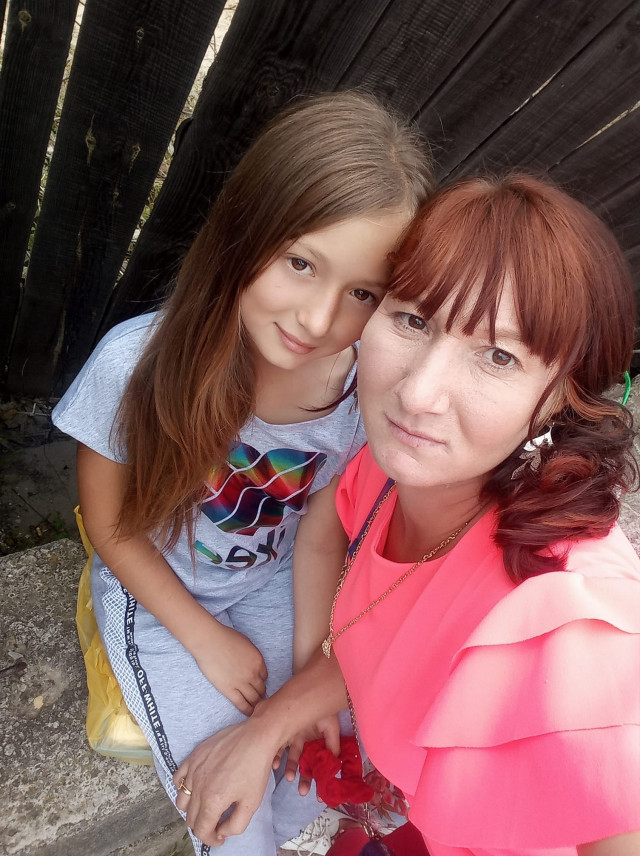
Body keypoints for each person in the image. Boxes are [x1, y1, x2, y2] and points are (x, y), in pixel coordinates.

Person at [170, 174, 640, 856]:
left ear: (559, 399)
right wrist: (269, 725)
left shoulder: (565, 617)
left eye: (498, 356)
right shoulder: (389, 476)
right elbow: (378, 609)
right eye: (414, 320)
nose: (418, 395)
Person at [52, 91, 434, 856]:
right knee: (232, 825)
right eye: (301, 263)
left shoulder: (355, 386)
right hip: (161, 593)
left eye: (361, 293)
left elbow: (318, 532)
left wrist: (309, 669)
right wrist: (203, 638)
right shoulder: (135, 365)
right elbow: (111, 527)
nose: (318, 320)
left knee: (325, 755)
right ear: (244, 229)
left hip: (274, 579)